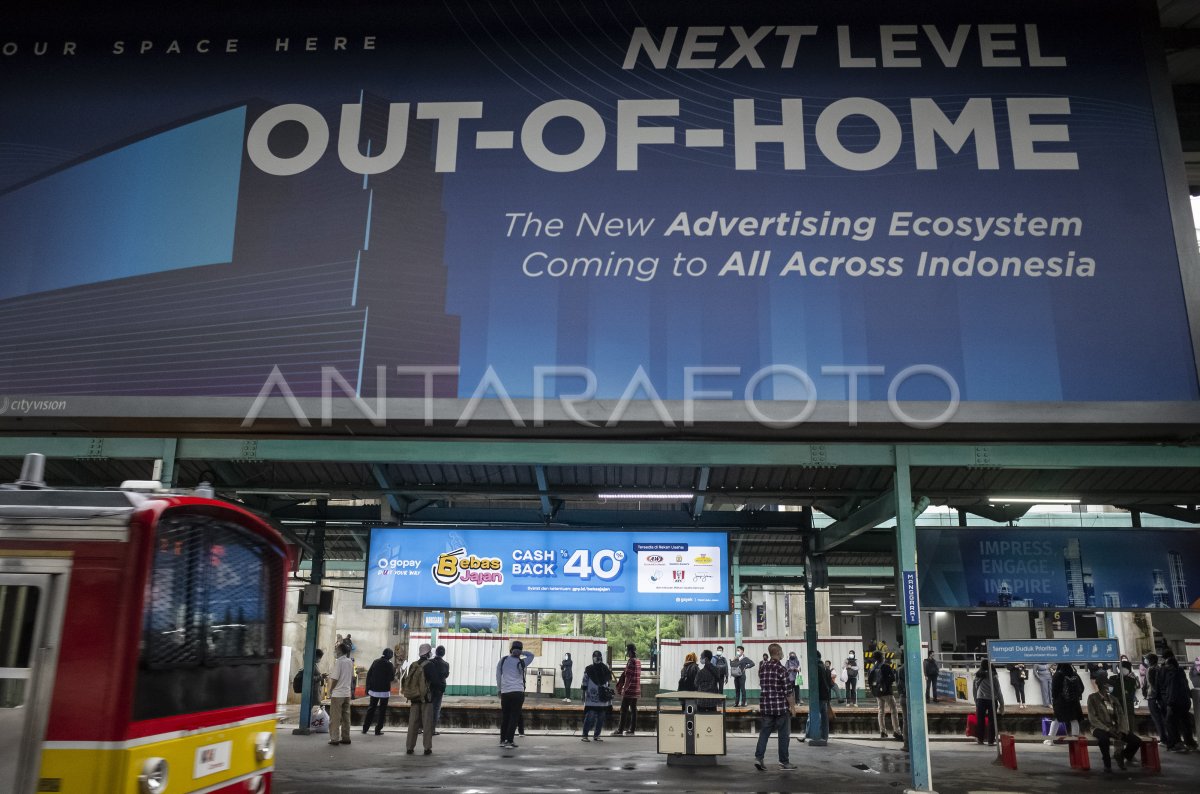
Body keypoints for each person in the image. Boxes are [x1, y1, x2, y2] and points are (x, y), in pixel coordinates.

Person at [754, 643, 799, 771]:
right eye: (781, 651)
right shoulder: (781, 669)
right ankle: (784, 762)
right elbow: (788, 691)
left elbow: (763, 685)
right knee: (784, 735)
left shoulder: (763, 668)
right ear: (778, 653)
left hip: (766, 707)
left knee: (764, 733)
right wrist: (793, 708)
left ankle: (759, 758)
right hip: (780, 708)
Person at [1088, 677, 1142, 771]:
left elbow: (1121, 716)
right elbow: (1093, 719)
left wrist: (1121, 729)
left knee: (1136, 741)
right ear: (1103, 686)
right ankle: (1107, 763)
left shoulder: (1113, 699)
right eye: (1108, 685)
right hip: (1099, 727)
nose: (1110, 687)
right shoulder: (1093, 698)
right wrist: (1108, 730)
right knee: (1104, 740)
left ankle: (1121, 755)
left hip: (1115, 727)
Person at [496, 640, 534, 749]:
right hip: (518, 692)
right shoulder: (522, 662)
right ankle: (509, 741)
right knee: (514, 717)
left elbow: (498, 675)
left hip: (505, 692)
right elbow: (531, 655)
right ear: (520, 650)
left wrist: (499, 689)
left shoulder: (503, 660)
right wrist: (520, 652)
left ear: (511, 649)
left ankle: (502, 740)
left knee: (506, 716)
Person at [402, 643, 435, 755]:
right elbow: (434, 681)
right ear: (428, 653)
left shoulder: (413, 665)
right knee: (427, 724)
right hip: (426, 699)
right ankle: (427, 748)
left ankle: (409, 747)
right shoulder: (429, 665)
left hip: (414, 698)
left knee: (413, 724)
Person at [1162, 653, 1197, 751]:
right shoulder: (1181, 673)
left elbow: (1172, 690)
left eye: (1167, 665)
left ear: (1171, 665)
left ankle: (1176, 743)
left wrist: (1170, 703)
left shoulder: (1173, 676)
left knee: (1170, 722)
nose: (1166, 667)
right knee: (1185, 722)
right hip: (1185, 702)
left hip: (1176, 703)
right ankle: (1190, 743)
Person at [1044, 662, 1084, 744]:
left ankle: (1050, 740)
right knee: (1074, 719)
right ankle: (1075, 740)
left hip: (1061, 702)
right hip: (1074, 702)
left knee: (1056, 719)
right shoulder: (1074, 674)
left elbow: (1054, 691)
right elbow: (1082, 687)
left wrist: (1056, 700)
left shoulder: (1058, 675)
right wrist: (1075, 696)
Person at [362, 648, 396, 735]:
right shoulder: (389, 664)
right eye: (391, 654)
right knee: (382, 710)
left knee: (371, 708)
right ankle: (378, 730)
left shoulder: (375, 661)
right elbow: (391, 678)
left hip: (374, 690)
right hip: (384, 691)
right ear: (389, 655)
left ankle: (365, 728)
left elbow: (369, 674)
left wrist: (368, 687)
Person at [327, 641, 355, 745]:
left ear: (340, 651)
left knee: (335, 717)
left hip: (338, 694)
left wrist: (330, 690)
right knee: (346, 717)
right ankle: (346, 737)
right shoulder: (350, 662)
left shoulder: (339, 662)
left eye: (336, 649)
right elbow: (352, 677)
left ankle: (334, 738)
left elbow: (334, 679)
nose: (335, 651)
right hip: (347, 693)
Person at [581, 650, 613, 742]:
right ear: (592, 658)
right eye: (595, 656)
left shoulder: (605, 668)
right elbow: (584, 682)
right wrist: (583, 695)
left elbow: (608, 682)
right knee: (590, 716)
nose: (597, 658)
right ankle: (585, 735)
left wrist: (608, 695)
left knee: (601, 717)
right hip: (591, 698)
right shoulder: (589, 669)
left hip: (603, 698)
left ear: (601, 657)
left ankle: (597, 735)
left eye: (598, 656)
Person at [612, 643, 642, 735]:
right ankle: (632, 730)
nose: (627, 653)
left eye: (627, 651)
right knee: (633, 709)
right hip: (636, 689)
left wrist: (623, 689)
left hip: (629, 690)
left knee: (623, 709)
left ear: (630, 651)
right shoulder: (638, 661)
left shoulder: (630, 661)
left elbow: (628, 676)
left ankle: (620, 730)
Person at [869, 659, 902, 740]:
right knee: (893, 710)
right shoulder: (886, 666)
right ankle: (896, 731)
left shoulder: (872, 668)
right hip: (887, 692)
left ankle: (883, 731)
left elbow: (870, 681)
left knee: (881, 711)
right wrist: (886, 684)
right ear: (882, 657)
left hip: (877, 693)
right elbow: (893, 678)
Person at [973, 660, 1003, 746]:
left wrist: (976, 701)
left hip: (980, 700)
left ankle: (980, 739)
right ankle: (990, 741)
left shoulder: (977, 676)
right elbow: (998, 691)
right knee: (992, 721)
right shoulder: (993, 676)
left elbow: (974, 690)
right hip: (991, 700)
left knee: (980, 720)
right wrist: (1002, 704)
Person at [1144, 653, 1170, 746]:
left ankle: (1164, 739)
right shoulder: (1159, 668)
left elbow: (1153, 685)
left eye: (1146, 659)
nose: (1145, 661)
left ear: (1150, 660)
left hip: (1153, 697)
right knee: (1164, 718)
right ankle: (1168, 738)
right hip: (1161, 697)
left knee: (1158, 719)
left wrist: (1155, 697)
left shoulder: (1151, 669)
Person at [808, 650, 832, 746]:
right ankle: (824, 736)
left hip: (818, 695)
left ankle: (814, 736)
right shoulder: (825, 668)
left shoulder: (816, 667)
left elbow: (816, 682)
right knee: (824, 717)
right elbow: (829, 683)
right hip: (825, 695)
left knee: (814, 716)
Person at [426, 645, 450, 735]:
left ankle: (422, 728)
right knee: (436, 709)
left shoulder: (429, 662)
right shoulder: (446, 664)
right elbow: (446, 675)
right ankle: (432, 730)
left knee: (427, 708)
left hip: (429, 688)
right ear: (443, 654)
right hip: (439, 689)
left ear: (435, 652)